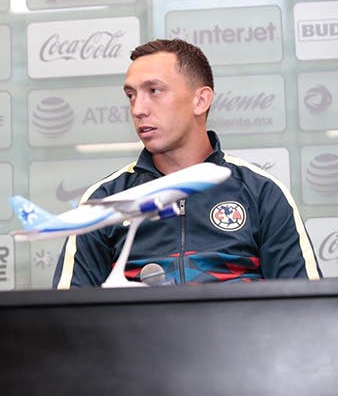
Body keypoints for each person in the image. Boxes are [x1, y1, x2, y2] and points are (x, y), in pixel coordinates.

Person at [53, 38, 322, 288]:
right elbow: (67, 314)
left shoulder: (262, 192)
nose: (138, 109)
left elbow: (304, 306)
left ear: (200, 100)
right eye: (131, 95)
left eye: (154, 91)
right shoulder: (104, 200)